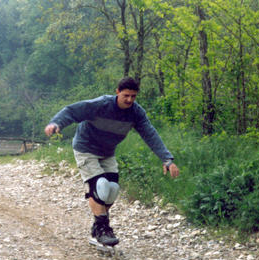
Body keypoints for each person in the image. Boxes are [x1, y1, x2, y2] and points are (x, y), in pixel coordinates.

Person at [44, 77, 179, 247]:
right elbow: (72, 111)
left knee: (112, 190)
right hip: (86, 147)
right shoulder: (101, 105)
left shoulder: (136, 113)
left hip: (107, 152)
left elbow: (150, 135)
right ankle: (102, 229)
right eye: (126, 95)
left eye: (133, 96)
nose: (129, 100)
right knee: (99, 186)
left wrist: (167, 159)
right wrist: (56, 122)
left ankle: (98, 228)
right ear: (117, 92)